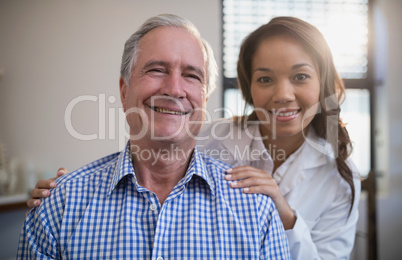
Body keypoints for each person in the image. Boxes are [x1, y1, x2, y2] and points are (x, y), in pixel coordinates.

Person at [27, 16, 360, 259]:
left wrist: (285, 215)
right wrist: (68, 191)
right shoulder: (214, 135)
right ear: (248, 87)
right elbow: (150, 149)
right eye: (265, 79)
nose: (283, 94)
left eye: (300, 76)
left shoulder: (340, 179)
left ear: (324, 81)